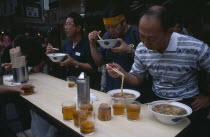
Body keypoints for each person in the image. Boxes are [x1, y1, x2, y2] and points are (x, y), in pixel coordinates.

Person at [106, 5, 210, 137]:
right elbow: (137, 78)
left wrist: (208, 97)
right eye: (141, 36)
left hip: (188, 103)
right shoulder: (142, 49)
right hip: (156, 102)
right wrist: (122, 73)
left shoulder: (195, 47)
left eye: (151, 38)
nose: (145, 43)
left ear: (169, 32)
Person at [88, 3, 140, 92]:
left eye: (114, 26)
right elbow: (99, 62)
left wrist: (129, 50)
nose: (111, 30)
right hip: (112, 88)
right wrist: (92, 44)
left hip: (133, 90)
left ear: (124, 22)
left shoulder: (136, 33)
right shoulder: (107, 36)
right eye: (107, 27)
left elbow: (148, 60)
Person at [46, 12, 100, 90]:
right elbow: (62, 63)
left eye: (68, 24)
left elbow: (93, 67)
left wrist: (75, 63)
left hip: (84, 88)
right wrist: (52, 55)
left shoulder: (88, 44)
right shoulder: (66, 45)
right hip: (68, 85)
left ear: (78, 28)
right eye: (65, 24)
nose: (65, 27)